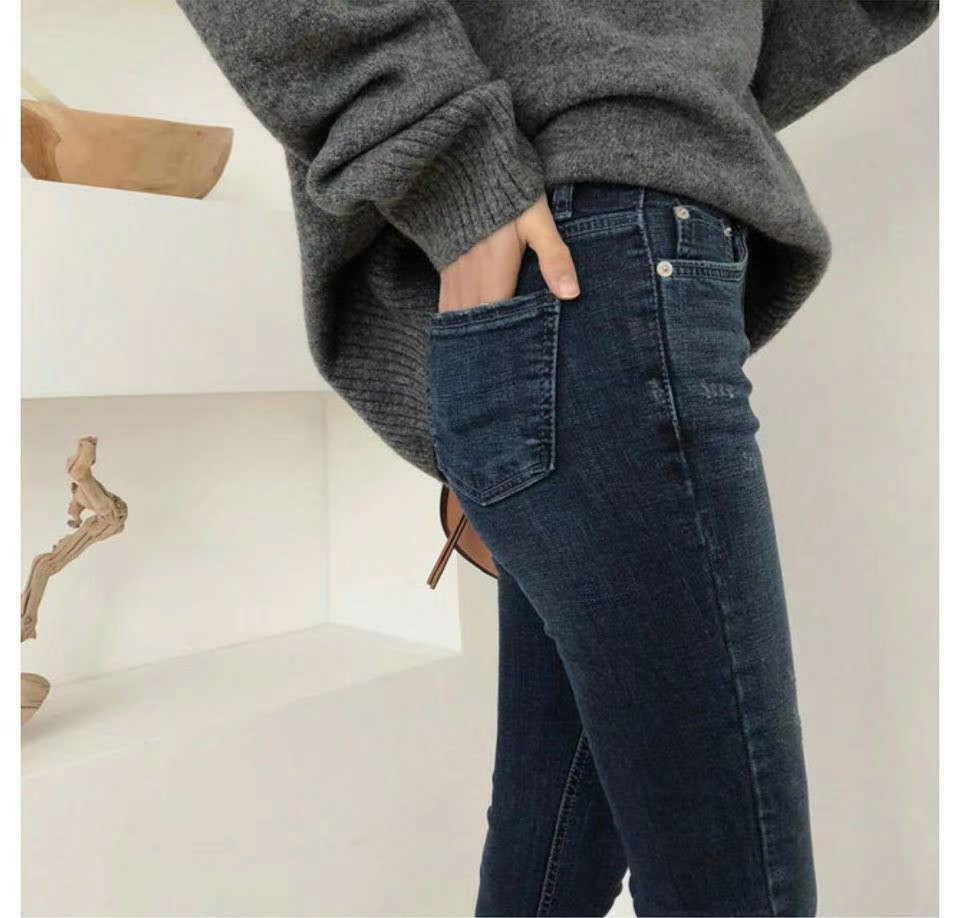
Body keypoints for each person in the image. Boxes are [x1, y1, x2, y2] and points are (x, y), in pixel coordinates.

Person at [177, 2, 938, 915]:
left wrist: (672, 93)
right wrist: (460, 171)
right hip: (592, 258)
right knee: (732, 887)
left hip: (603, 250)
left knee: (551, 864)